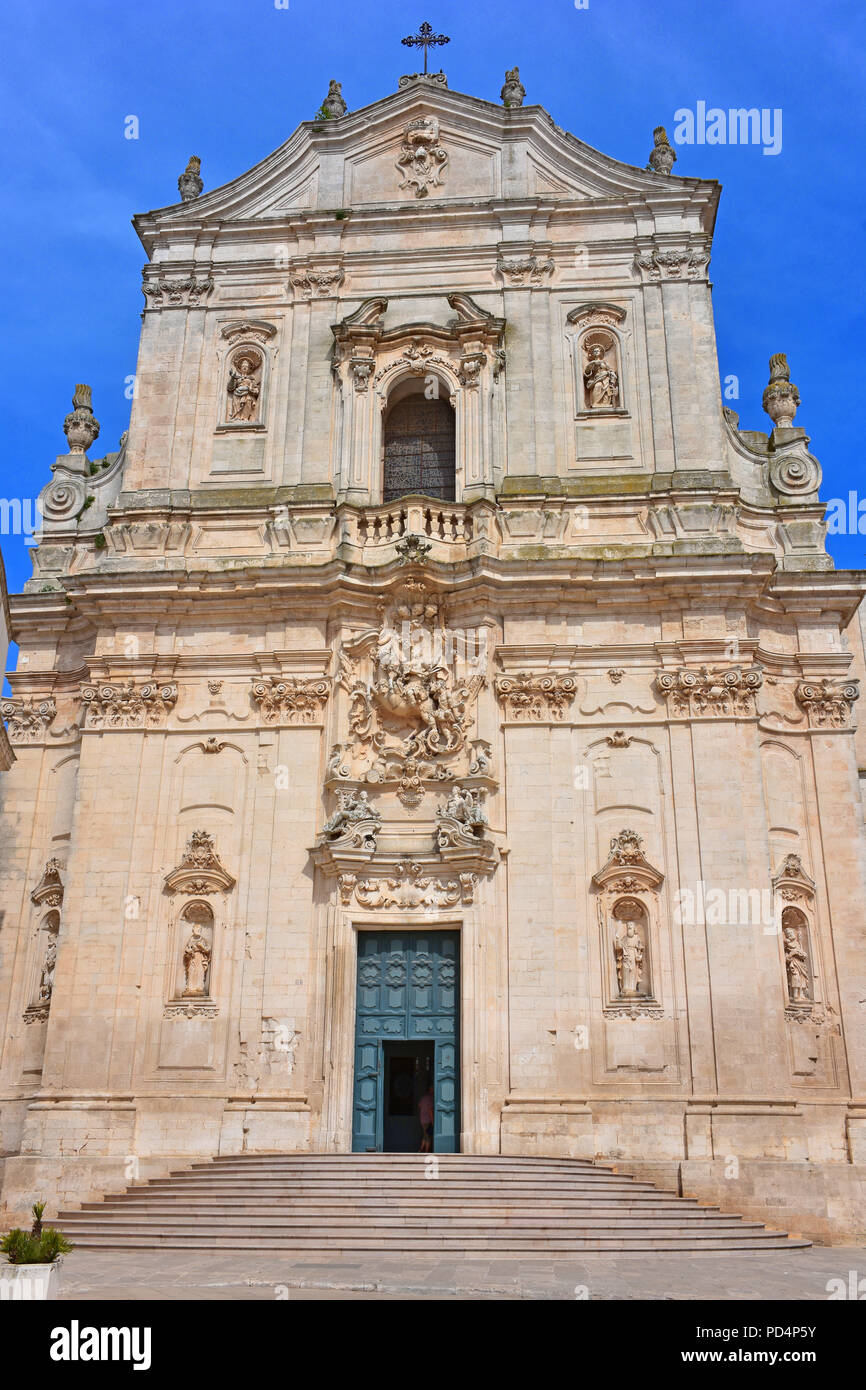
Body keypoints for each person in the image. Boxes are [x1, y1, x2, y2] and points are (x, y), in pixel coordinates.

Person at [418, 1083, 435, 1153]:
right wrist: (433, 1121)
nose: (434, 1090)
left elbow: (419, 1105)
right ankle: (426, 1151)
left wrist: (423, 1110)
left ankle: (420, 1150)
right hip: (428, 1120)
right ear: (431, 1090)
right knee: (428, 1137)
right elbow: (430, 1110)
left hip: (422, 1119)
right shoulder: (430, 1098)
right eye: (433, 1089)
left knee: (425, 1135)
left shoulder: (424, 1098)